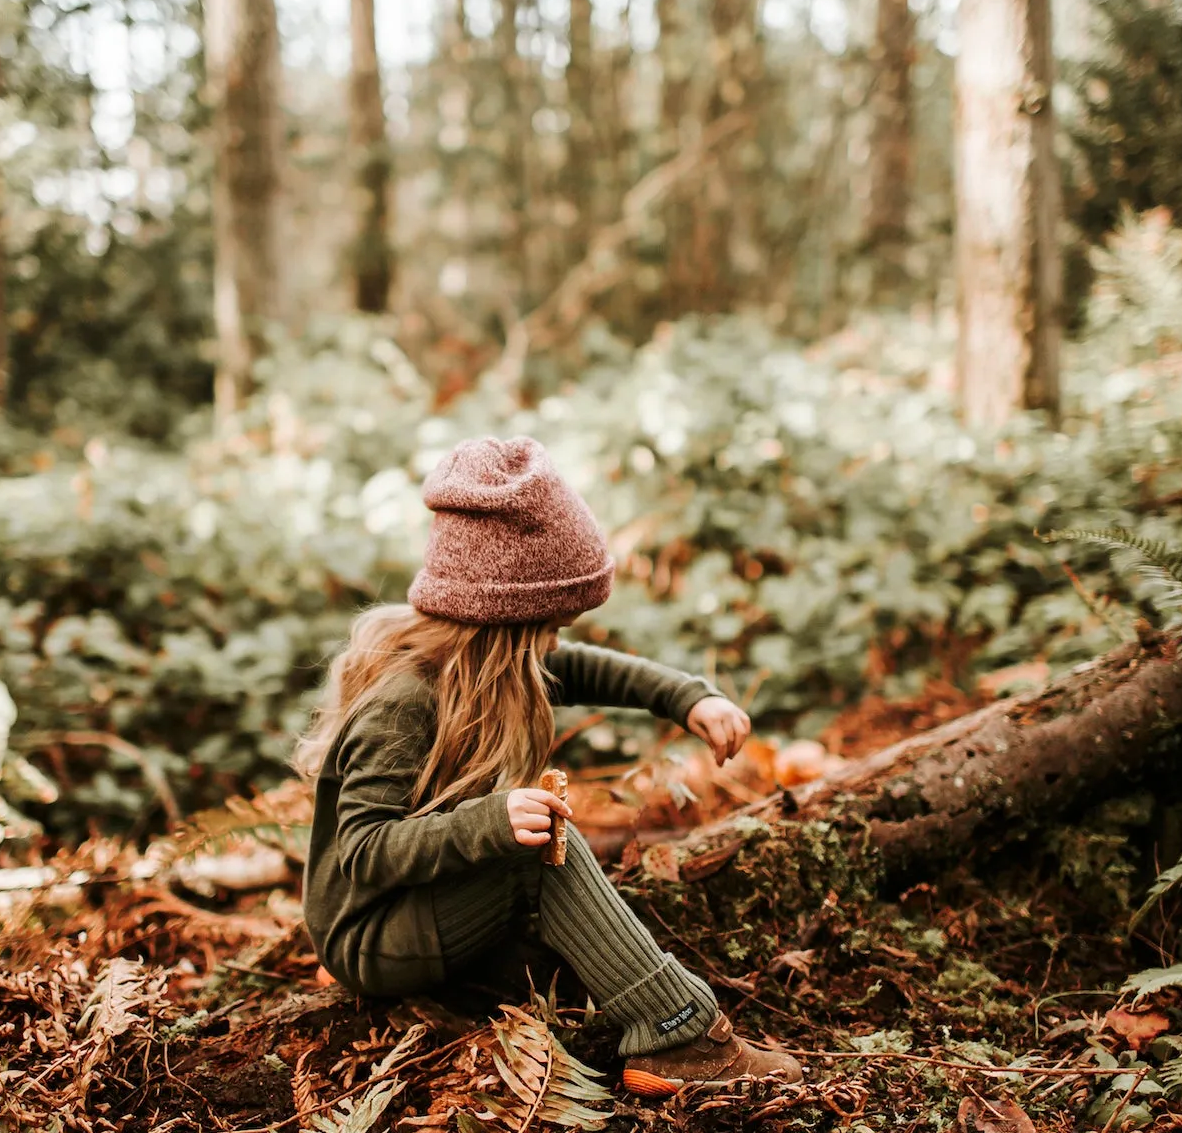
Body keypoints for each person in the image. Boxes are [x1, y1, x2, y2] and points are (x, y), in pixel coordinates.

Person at [296, 436, 802, 1097]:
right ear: (502, 619)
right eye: (552, 626)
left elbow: (589, 668)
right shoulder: (405, 704)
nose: (559, 643)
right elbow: (362, 851)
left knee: (568, 962)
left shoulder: (483, 664)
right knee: (542, 851)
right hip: (369, 932)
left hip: (414, 907)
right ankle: (675, 1032)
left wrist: (689, 697)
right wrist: (487, 825)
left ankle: (580, 991)